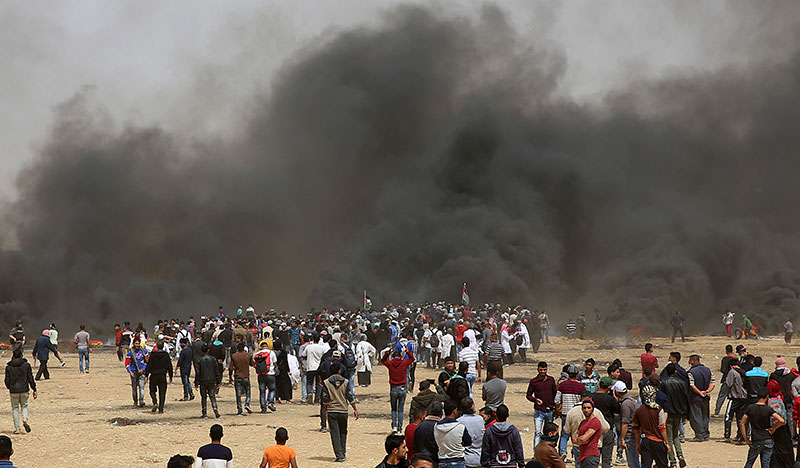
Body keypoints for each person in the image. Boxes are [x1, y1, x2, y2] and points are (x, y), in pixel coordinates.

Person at [321, 360, 359, 462]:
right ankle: (343, 451)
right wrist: (355, 409)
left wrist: (326, 410)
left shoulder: (326, 382)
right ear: (339, 371)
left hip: (332, 410)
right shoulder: (346, 382)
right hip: (343, 410)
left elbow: (325, 399)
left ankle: (339, 455)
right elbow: (350, 396)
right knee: (343, 432)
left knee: (335, 434)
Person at [740, 387, 785, 468]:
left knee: (749, 462)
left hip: (756, 438)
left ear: (757, 396)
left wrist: (746, 438)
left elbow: (742, 423)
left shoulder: (750, 408)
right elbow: (781, 421)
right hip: (767, 438)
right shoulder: (768, 409)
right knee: (766, 463)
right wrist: (774, 428)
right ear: (767, 396)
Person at [659, 364, 688, 468]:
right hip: (679, 413)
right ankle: (680, 456)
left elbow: (660, 398)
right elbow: (686, 398)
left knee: (669, 438)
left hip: (668, 413)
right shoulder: (682, 383)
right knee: (676, 436)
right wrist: (686, 414)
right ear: (675, 372)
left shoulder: (663, 383)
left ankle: (673, 462)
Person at [633, 385, 669, 468]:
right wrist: (667, 442)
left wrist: (638, 444)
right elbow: (662, 427)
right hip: (658, 442)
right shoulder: (659, 410)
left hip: (645, 441)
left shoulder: (639, 411)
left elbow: (636, 430)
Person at [555, 365, 585, 460]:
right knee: (577, 433)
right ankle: (576, 452)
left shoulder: (563, 385)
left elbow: (556, 400)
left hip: (565, 413)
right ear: (577, 374)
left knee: (564, 434)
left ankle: (563, 451)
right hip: (577, 413)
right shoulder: (581, 386)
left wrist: (558, 410)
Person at [382, 347, 415, 434]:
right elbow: (412, 359)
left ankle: (394, 426)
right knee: (400, 409)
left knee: (393, 409)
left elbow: (383, 361)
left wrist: (387, 353)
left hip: (393, 388)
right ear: (400, 357)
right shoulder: (404, 363)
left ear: (392, 357)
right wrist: (408, 352)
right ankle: (400, 429)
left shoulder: (390, 363)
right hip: (402, 388)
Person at [480, 404, 524, 468]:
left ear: (496, 415)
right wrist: (521, 463)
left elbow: (485, 449)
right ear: (508, 415)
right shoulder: (514, 431)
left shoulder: (489, 431)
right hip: (511, 464)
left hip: (494, 464)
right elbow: (518, 448)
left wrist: (484, 463)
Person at [4, 348, 36, 434]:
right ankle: (25, 419)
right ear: (21, 355)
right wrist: (34, 389)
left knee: (15, 408)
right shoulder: (26, 365)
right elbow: (30, 378)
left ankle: (17, 429)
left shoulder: (9, 367)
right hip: (24, 389)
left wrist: (10, 387)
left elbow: (6, 380)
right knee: (24, 406)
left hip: (14, 390)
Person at [590, 377, 620, 468]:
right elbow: (618, 410)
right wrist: (615, 398)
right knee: (607, 459)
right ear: (608, 387)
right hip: (607, 429)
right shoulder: (610, 399)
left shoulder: (593, 397)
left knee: (594, 457)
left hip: (594, 429)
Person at [527, 361, 557, 449]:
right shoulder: (534, 382)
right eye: (541, 370)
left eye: (544, 370)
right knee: (538, 433)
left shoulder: (551, 380)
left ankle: (548, 451)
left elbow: (554, 393)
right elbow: (528, 395)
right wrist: (535, 400)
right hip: (539, 411)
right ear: (538, 370)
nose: (543, 371)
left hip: (550, 410)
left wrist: (555, 408)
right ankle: (536, 453)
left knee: (550, 433)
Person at [434, 399, 472, 468]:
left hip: (442, 461)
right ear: (454, 411)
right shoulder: (460, 426)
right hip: (458, 460)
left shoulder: (436, 426)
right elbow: (468, 442)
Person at [765, 380, 793, 468]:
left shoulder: (768, 401)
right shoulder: (780, 399)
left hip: (772, 427)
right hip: (783, 427)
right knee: (784, 447)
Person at [686, 354, 713, 441]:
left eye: (690, 360)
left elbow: (691, 385)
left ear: (693, 361)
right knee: (705, 416)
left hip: (695, 397)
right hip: (706, 397)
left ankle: (699, 435)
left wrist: (699, 392)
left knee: (696, 416)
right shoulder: (708, 370)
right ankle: (705, 434)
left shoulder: (691, 372)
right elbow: (712, 382)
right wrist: (708, 391)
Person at [615, 382, 639, 468]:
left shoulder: (625, 404)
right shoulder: (631, 401)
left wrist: (622, 438)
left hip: (630, 436)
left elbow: (625, 422)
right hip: (634, 434)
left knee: (633, 462)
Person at [145, 340, 173, 413]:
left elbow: (149, 365)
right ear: (163, 346)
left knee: (152, 391)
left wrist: (146, 375)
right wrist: (170, 375)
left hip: (153, 375)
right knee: (162, 393)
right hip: (162, 376)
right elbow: (169, 366)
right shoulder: (166, 355)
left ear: (157, 346)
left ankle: (155, 402)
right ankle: (161, 409)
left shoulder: (153, 354)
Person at [724, 360, 748, 443]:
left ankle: (727, 436)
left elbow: (728, 383)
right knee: (740, 417)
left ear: (731, 365)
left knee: (728, 416)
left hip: (734, 397)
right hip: (744, 398)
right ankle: (741, 435)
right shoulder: (743, 372)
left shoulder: (732, 372)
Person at [573, 400, 602, 468]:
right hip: (582, 455)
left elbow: (583, 439)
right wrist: (580, 440)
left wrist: (580, 439)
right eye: (584, 408)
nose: (586, 410)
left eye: (589, 408)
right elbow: (574, 439)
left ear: (593, 408)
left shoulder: (595, 422)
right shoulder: (583, 422)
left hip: (591, 456)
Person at [196, 344, 222, 419]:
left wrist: (196, 382)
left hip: (203, 380)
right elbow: (216, 371)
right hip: (212, 380)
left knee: (204, 397)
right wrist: (218, 381)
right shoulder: (213, 359)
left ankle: (204, 413)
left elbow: (198, 372)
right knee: (212, 396)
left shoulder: (199, 359)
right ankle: (215, 408)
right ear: (208, 350)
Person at [458, 397, 485, 468]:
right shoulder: (480, 419)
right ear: (472, 407)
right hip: (480, 458)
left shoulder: (459, 421)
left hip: (466, 459)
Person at [229, 341, 255, 415]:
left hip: (237, 376)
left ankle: (239, 409)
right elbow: (252, 364)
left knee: (238, 394)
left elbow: (230, 368)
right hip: (246, 376)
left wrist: (230, 377)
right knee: (248, 392)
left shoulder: (234, 356)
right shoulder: (248, 355)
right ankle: (247, 404)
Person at [254, 340, 278, 413]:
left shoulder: (257, 353)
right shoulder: (271, 352)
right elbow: (275, 363)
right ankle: (270, 402)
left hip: (261, 375)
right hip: (270, 373)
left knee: (262, 392)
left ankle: (263, 408)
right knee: (272, 389)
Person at [714, 345, 737, 417]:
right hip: (735, 380)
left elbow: (723, 370)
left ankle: (717, 412)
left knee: (721, 396)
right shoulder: (736, 359)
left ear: (726, 351)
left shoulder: (725, 359)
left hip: (726, 379)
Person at [126, 338, 149, 407]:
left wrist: (143, 369)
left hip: (142, 372)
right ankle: (135, 401)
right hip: (134, 372)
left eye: (138, 343)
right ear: (133, 344)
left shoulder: (144, 352)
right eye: (136, 343)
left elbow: (147, 362)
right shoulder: (130, 352)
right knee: (134, 388)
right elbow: (127, 363)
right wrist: (130, 371)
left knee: (141, 387)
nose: (137, 345)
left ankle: (141, 401)